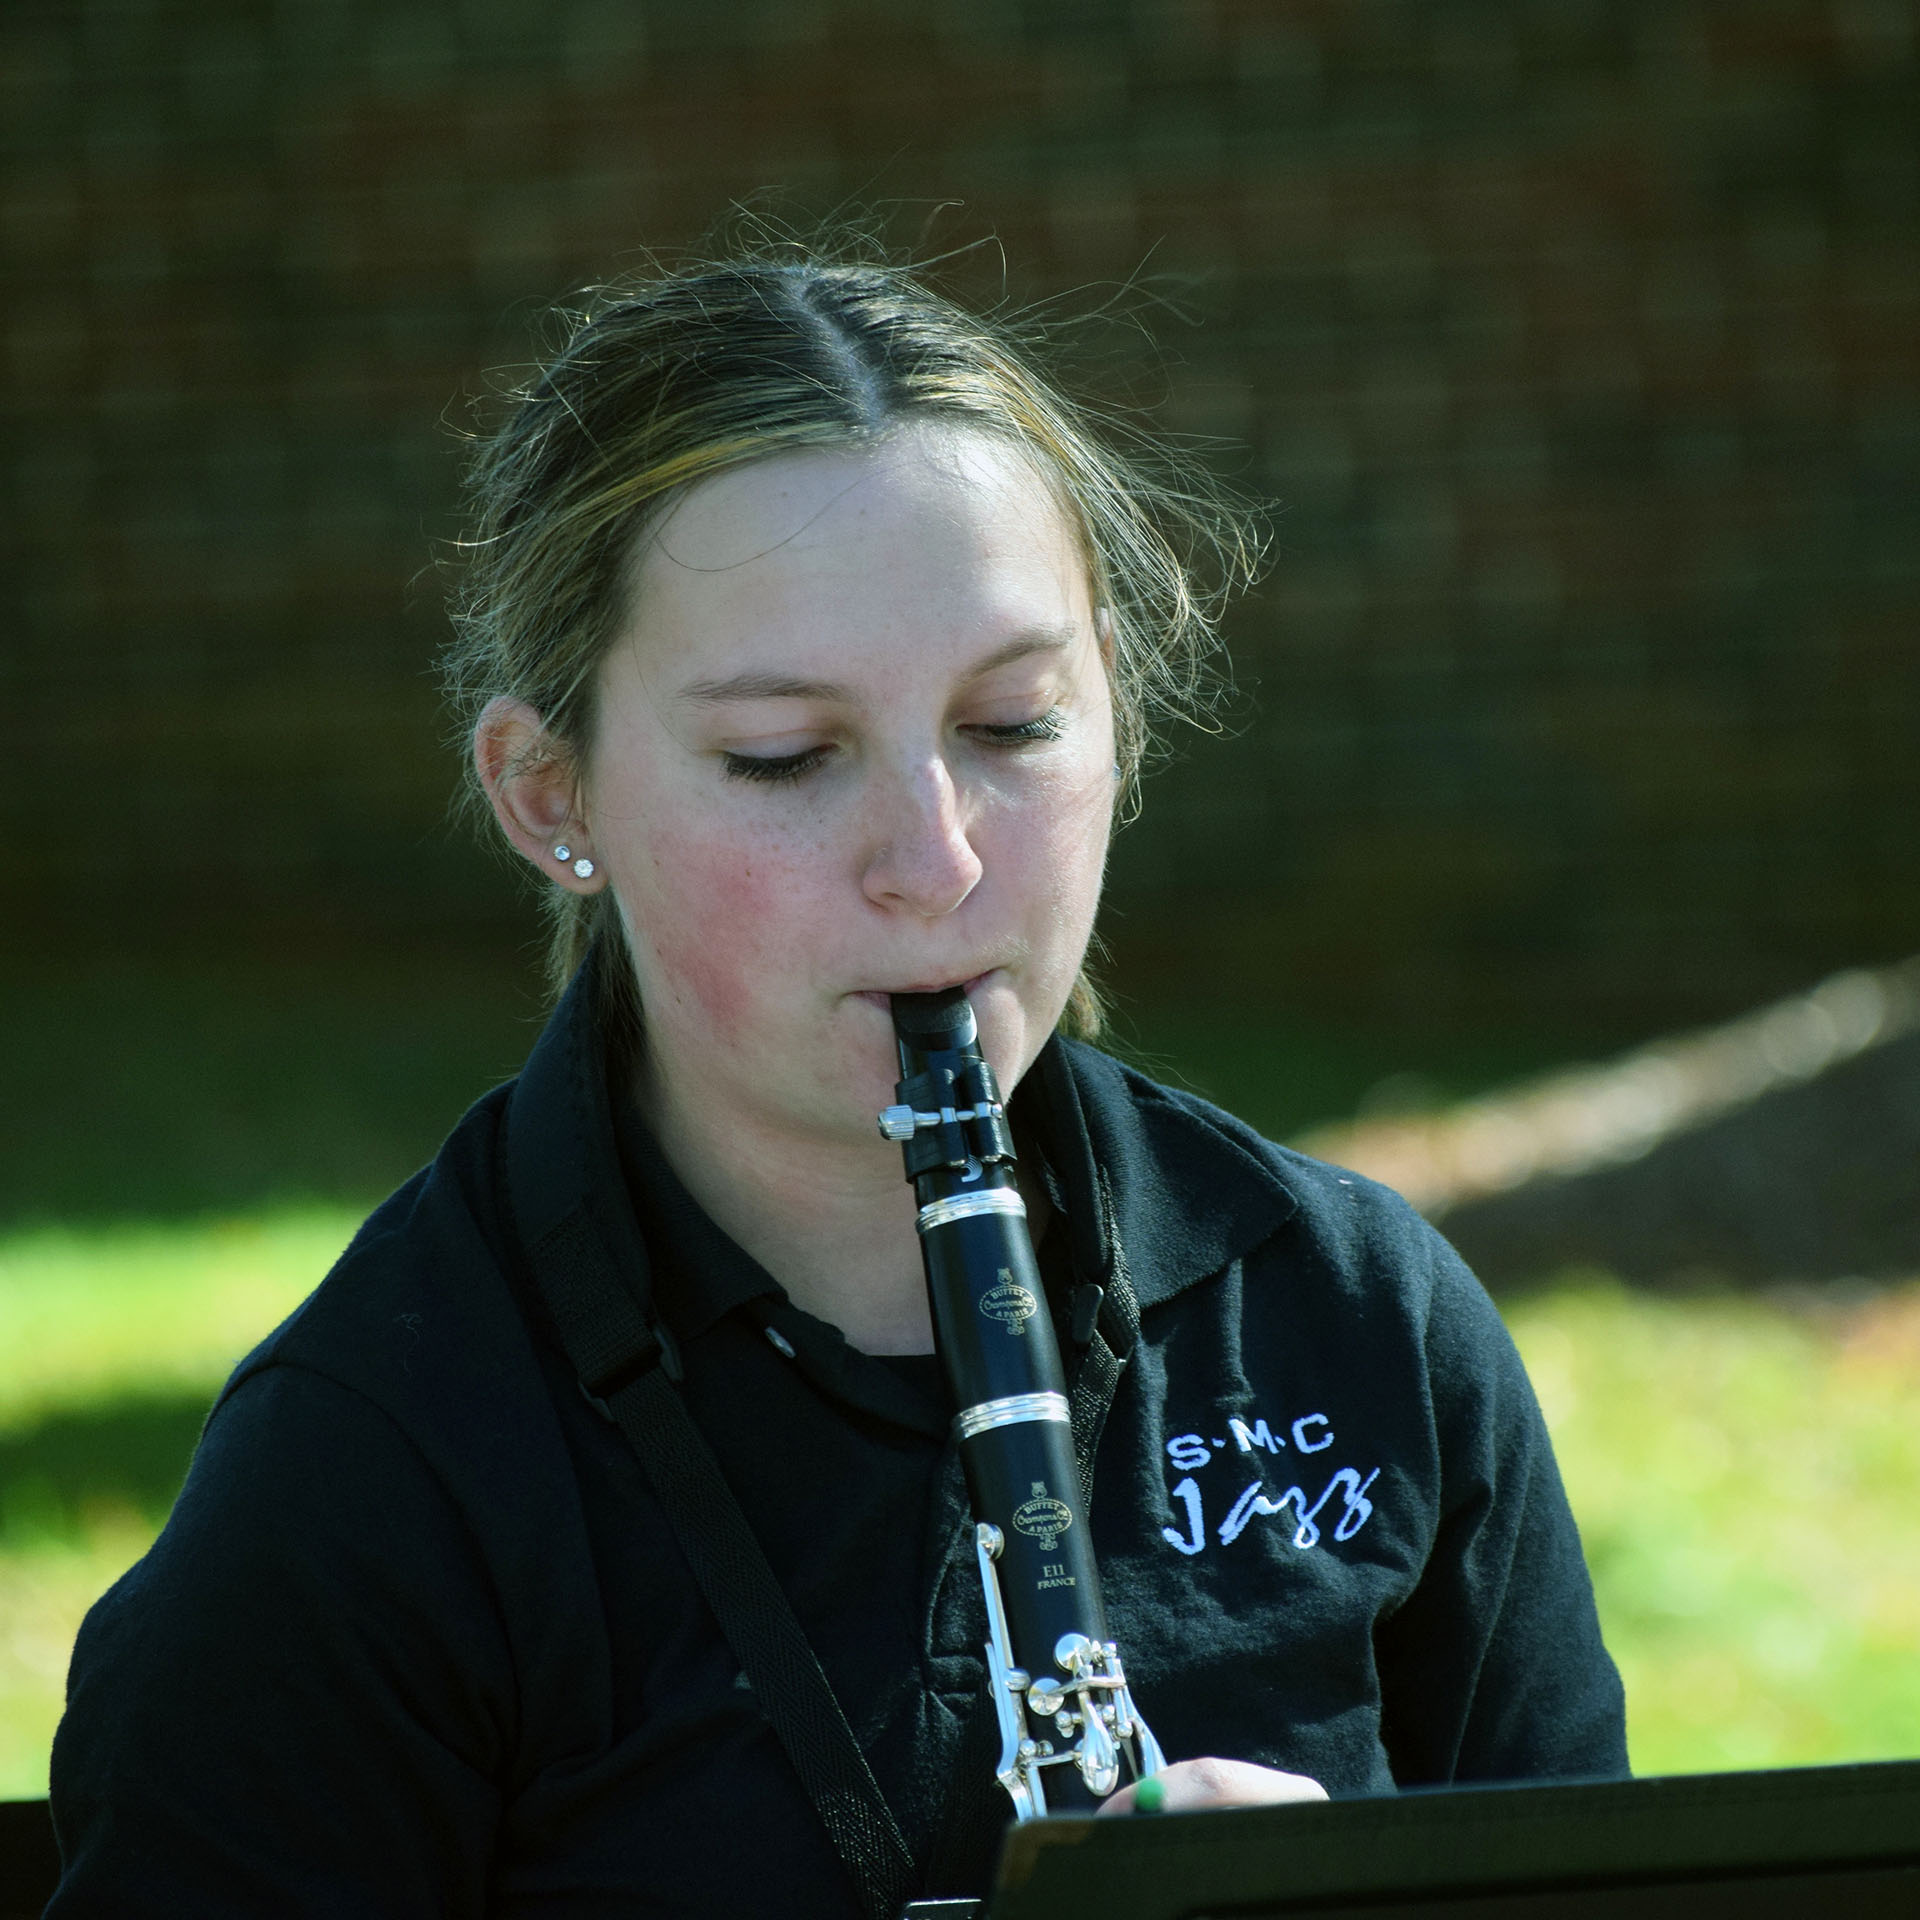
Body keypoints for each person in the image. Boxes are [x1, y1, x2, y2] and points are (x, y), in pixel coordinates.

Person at [47, 239, 1627, 1918]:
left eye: (1014, 724)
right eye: (786, 758)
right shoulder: (374, 1472)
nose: (934, 862)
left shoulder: (1357, 1314)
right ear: (548, 792)